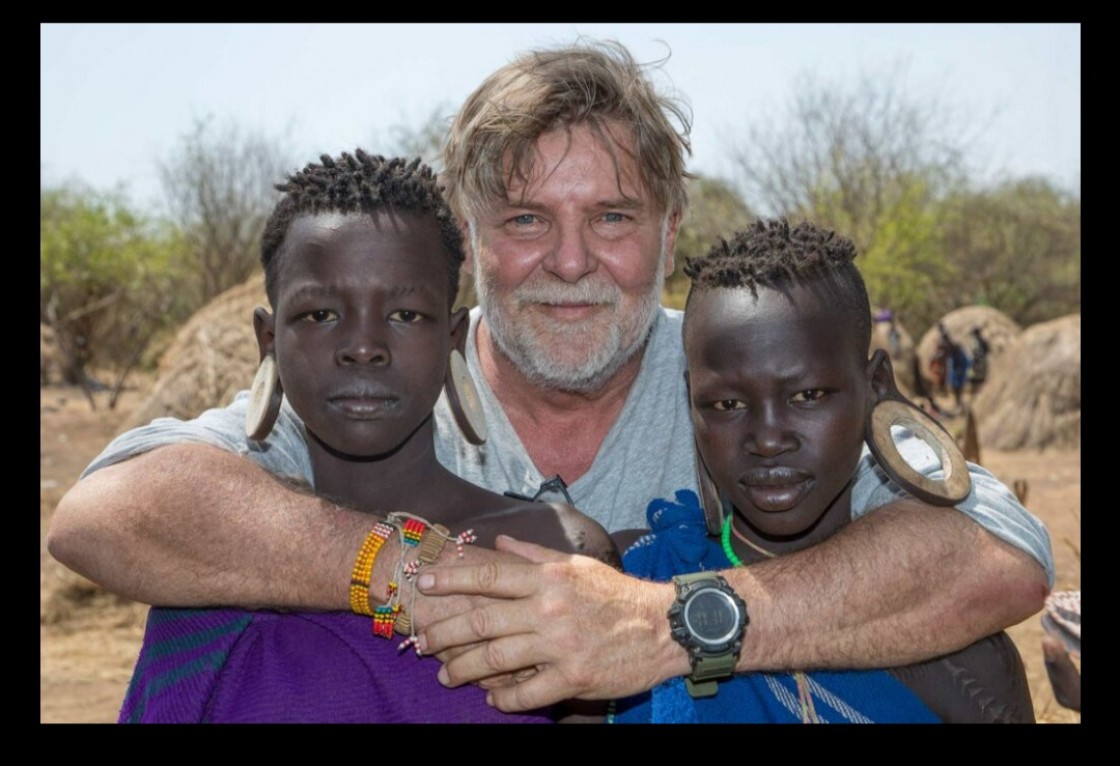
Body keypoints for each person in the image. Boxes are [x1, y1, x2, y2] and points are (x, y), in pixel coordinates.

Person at [48, 39, 1052, 713]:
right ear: (467, 236)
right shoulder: (386, 370)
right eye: (526, 219)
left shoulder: (737, 379)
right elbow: (110, 513)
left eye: (611, 217)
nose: (570, 262)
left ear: (669, 228)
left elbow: (994, 554)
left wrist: (673, 622)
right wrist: (403, 570)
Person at [118, 150, 618, 723]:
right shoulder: (211, 547)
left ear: (454, 340)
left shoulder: (550, 551)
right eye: (320, 315)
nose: (363, 346)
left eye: (405, 315)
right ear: (268, 340)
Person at [609, 220, 1033, 723]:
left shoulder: (959, 655)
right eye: (726, 403)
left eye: (807, 396)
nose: (768, 439)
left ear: (876, 386)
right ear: (690, 401)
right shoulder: (630, 588)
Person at [968, 326, 991, 396]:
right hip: (976, 360)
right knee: (972, 375)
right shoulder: (975, 342)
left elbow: (988, 350)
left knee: (979, 375)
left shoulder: (981, 342)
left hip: (980, 360)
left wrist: (981, 355)